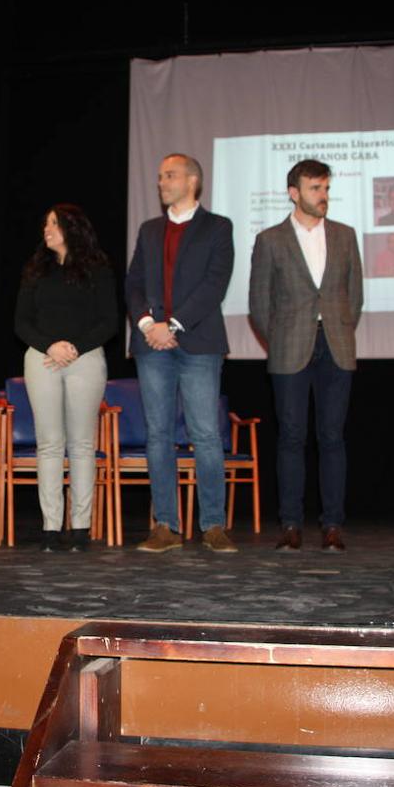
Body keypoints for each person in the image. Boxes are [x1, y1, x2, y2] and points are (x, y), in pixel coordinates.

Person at [248, 159, 363, 552]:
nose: (323, 196)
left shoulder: (346, 236)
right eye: (315, 189)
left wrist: (340, 330)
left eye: (326, 188)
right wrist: (280, 338)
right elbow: (259, 304)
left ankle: (332, 525)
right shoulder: (270, 240)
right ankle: (291, 525)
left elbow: (355, 297)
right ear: (294, 193)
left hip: (336, 345)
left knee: (332, 437)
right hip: (289, 348)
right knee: (292, 437)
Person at [125, 153, 236, 553]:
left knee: (205, 435)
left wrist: (172, 325)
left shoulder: (218, 227)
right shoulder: (149, 229)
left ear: (192, 181)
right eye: (158, 177)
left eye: (169, 175)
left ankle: (212, 526)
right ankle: (165, 526)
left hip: (199, 343)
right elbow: (133, 282)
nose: (161, 182)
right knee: (158, 435)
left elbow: (214, 285)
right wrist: (146, 324)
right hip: (150, 344)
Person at [14, 204, 118, 552]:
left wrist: (73, 348)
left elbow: (109, 322)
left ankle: (81, 527)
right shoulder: (35, 270)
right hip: (42, 359)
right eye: (45, 224)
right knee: (49, 444)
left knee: (82, 445)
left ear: (73, 229)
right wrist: (50, 347)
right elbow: (21, 322)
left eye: (54, 224)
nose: (47, 229)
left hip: (85, 359)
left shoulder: (98, 268)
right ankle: (50, 527)